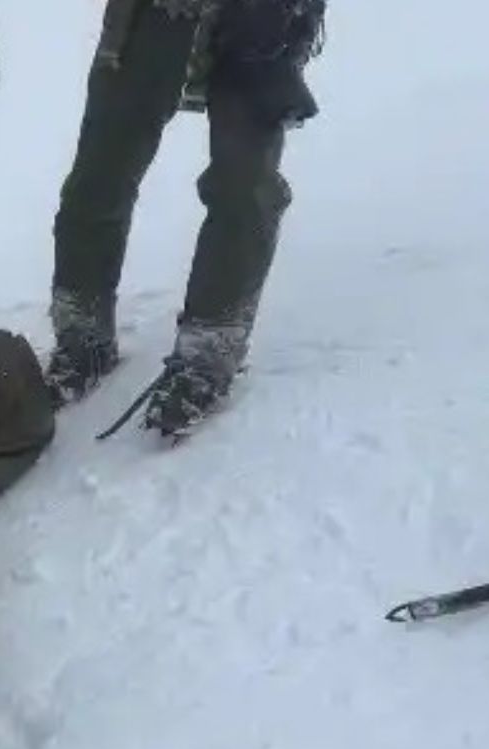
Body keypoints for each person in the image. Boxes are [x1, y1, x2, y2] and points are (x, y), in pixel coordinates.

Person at [46, 0, 325, 437]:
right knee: (101, 168)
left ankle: (208, 351)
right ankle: (82, 333)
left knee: (242, 183)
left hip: (261, 17)